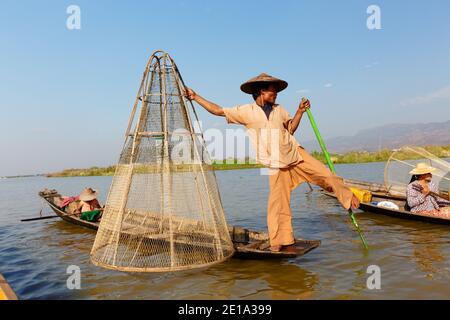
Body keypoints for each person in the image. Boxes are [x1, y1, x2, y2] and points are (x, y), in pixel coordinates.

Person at [184, 73, 360, 252]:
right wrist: (195, 96)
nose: (275, 94)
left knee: (326, 174)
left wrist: (300, 111)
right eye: (272, 91)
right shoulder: (246, 112)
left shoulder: (279, 110)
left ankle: (347, 196)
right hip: (275, 161)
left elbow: (290, 129)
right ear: (261, 92)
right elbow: (218, 110)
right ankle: (280, 240)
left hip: (295, 153)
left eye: (276, 91)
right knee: (278, 203)